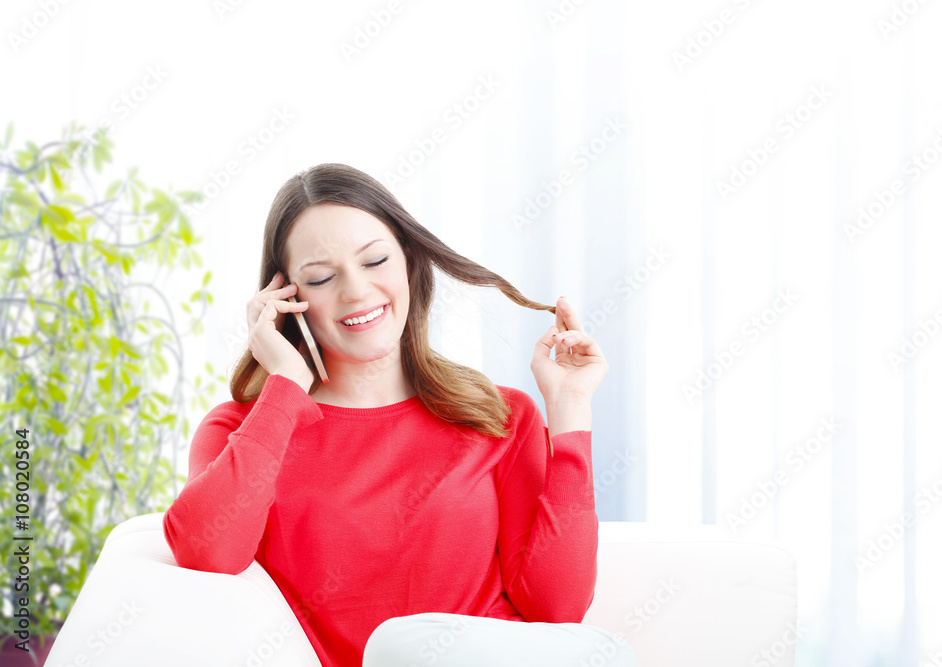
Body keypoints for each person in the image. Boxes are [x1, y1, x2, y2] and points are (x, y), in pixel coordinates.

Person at [161, 163, 641, 667]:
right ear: (284, 299)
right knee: (397, 646)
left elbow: (557, 609)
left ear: (408, 261)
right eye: (321, 277)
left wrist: (569, 409)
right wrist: (284, 385)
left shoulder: (499, 416)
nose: (355, 291)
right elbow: (206, 553)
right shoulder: (242, 431)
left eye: (375, 260)